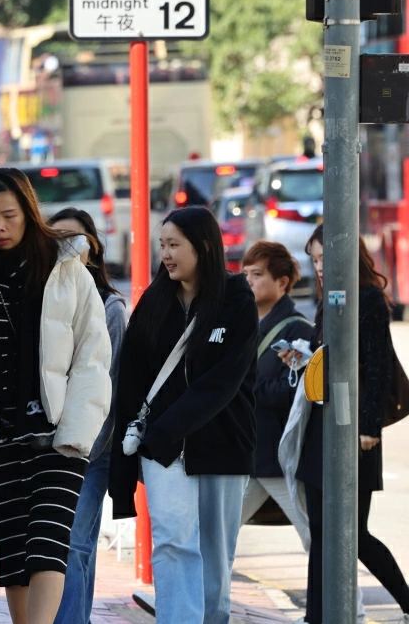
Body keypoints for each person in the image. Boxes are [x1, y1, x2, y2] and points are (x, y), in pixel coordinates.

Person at [0, 170, 112, 624]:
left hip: (58, 432)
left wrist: (77, 432)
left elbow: (92, 357)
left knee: (48, 545)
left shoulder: (68, 271)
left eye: (9, 215)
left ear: (29, 213)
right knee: (12, 554)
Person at [108, 206, 258, 624]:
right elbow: (131, 383)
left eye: (175, 245)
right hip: (162, 449)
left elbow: (223, 383)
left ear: (204, 247)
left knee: (214, 549)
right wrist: (140, 449)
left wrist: (166, 429)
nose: (167, 254)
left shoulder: (237, 300)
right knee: (172, 540)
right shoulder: (154, 303)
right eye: (163, 246)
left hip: (222, 445)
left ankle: (212, 619)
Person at [280, 223, 409, 624]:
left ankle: (406, 601)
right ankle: (316, 616)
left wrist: (369, 427)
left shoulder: (367, 299)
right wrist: (303, 360)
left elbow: (376, 367)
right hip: (324, 427)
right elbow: (331, 359)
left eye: (325, 258)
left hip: (355, 430)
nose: (319, 267)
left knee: (353, 533)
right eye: (315, 259)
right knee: (321, 528)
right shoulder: (330, 299)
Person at [47, 208, 128, 624]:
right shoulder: (42, 299)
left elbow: (106, 389)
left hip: (90, 452)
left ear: (93, 249)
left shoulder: (110, 306)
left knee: (73, 547)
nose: (68, 247)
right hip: (45, 448)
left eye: (77, 240)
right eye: (58, 238)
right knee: (72, 550)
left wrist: (85, 452)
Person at [240, 241, 313, 549]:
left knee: (315, 537)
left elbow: (295, 392)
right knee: (214, 532)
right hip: (249, 454)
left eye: (257, 274)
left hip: (281, 459)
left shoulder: (299, 331)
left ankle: (347, 599)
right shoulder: (245, 325)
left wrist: (246, 386)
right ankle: (197, 598)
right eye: (246, 274)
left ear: (282, 282)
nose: (249, 281)